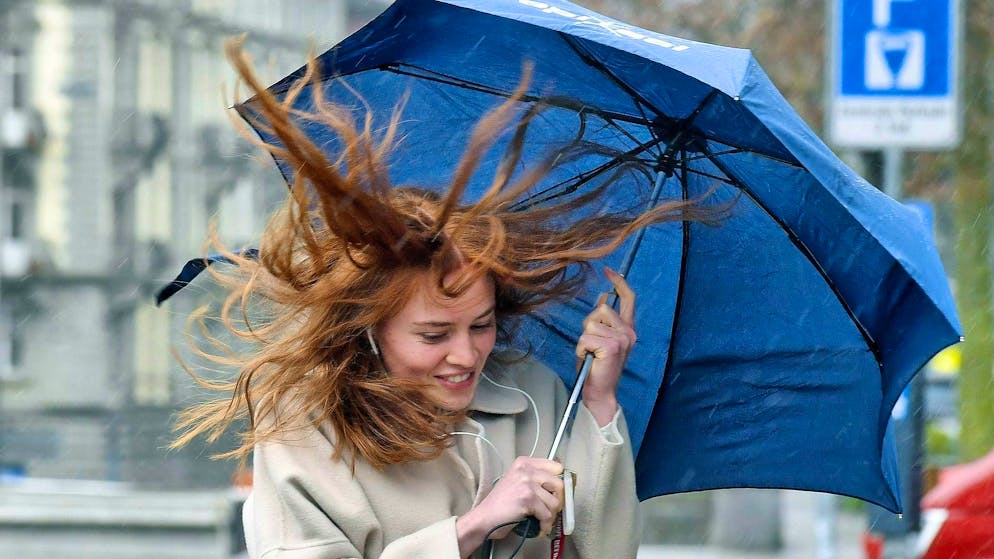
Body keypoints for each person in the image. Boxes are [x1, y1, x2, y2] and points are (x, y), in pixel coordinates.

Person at [172, 40, 708, 559]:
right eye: (433, 334)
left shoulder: (537, 395)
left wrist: (597, 402)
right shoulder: (306, 428)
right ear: (369, 325)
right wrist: (470, 529)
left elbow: (606, 553)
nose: (466, 355)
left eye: (481, 324)